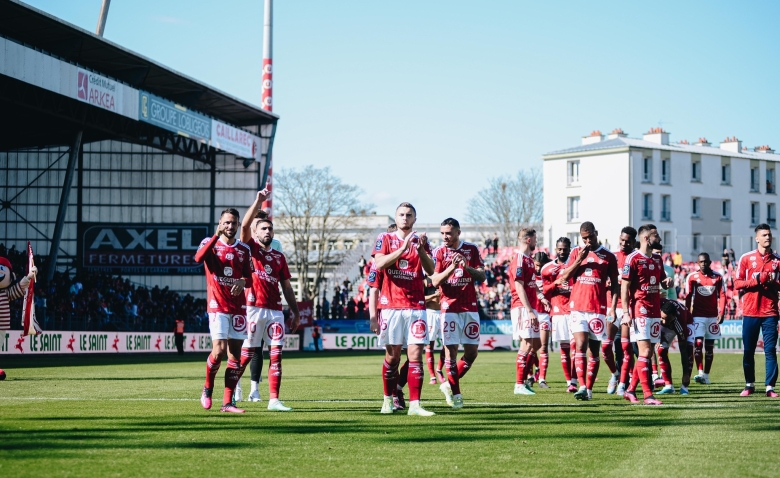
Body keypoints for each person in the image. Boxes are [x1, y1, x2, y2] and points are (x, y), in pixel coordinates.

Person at [370, 202, 436, 416]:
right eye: (401, 214)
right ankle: (387, 400)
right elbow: (379, 264)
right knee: (393, 357)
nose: (405, 218)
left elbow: (432, 271)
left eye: (409, 215)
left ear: (415, 219)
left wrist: (421, 250)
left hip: (416, 306)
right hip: (391, 306)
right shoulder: (385, 239)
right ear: (396, 218)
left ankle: (415, 405)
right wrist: (402, 249)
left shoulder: (422, 242)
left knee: (416, 354)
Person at [238, 190, 300, 410]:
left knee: (276, 354)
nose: (267, 230)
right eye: (263, 228)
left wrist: (295, 311)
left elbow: (287, 286)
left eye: (270, 228)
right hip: (253, 308)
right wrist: (258, 201)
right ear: (255, 232)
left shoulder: (279, 256)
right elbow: (244, 227)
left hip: (275, 310)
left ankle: (274, 400)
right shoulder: (250, 248)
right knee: (246, 355)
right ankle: (233, 390)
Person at [194, 208, 254, 413]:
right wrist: (215, 236)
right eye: (226, 222)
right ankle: (208, 387)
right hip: (217, 305)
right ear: (220, 223)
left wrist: (242, 280)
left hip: (238, 308)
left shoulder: (244, 250)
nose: (230, 226)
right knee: (218, 351)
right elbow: (198, 258)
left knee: (235, 356)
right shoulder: (209, 243)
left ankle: (227, 403)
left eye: (234, 223)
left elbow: (249, 279)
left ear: (238, 225)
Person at [556, 222, 618, 401]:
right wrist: (578, 260)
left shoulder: (608, 256)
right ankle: (582, 386)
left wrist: (613, 307)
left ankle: (589, 389)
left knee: (594, 350)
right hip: (577, 307)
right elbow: (564, 277)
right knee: (580, 345)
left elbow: (615, 285)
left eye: (590, 237)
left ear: (596, 234)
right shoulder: (576, 252)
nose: (588, 240)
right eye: (584, 238)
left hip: (597, 309)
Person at [430, 218, 486, 408]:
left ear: (458, 233)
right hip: (449, 308)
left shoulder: (471, 249)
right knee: (450, 353)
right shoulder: (439, 252)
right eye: (443, 233)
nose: (445, 237)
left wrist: (465, 267)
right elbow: (435, 281)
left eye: (449, 233)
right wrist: (452, 267)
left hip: (469, 307)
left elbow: (482, 275)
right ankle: (457, 395)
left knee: (471, 353)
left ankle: (446, 384)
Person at [620, 224, 671, 405]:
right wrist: (626, 312)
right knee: (646, 351)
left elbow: (662, 283)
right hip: (639, 310)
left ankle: (630, 390)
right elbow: (624, 286)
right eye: (656, 235)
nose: (660, 238)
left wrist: (667, 283)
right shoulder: (633, 258)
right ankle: (648, 395)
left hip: (654, 310)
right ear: (646, 238)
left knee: (647, 353)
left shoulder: (657, 259)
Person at [734, 224, 780, 398]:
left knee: (770, 350)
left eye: (769, 235)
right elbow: (737, 283)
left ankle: (770, 387)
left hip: (770, 312)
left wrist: (771, 283)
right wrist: (757, 280)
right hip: (750, 311)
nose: (767, 237)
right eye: (764, 235)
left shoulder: (777, 260)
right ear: (757, 238)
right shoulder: (746, 258)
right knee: (749, 351)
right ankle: (749, 384)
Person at [509, 228, 550, 396]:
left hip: (530, 306)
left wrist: (541, 297)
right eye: (535, 239)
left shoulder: (529, 260)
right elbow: (519, 286)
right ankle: (519, 384)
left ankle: (524, 381)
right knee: (526, 344)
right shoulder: (519, 259)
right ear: (528, 240)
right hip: (522, 307)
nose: (536, 242)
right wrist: (529, 310)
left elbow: (531, 285)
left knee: (534, 344)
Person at [685, 252, 727, 385]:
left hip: (712, 317)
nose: (703, 264)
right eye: (701, 262)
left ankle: (707, 376)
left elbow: (723, 295)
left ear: (710, 263)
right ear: (698, 263)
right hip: (698, 317)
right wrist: (687, 313)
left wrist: (722, 312)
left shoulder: (718, 277)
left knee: (709, 348)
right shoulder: (692, 277)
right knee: (697, 345)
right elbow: (688, 296)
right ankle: (700, 372)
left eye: (705, 262)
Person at [541, 237, 575, 391]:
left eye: (565, 249)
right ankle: (569, 382)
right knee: (564, 348)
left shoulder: (574, 265)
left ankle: (576, 380)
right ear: (556, 249)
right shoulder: (547, 268)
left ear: (569, 249)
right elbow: (544, 290)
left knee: (577, 347)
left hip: (575, 310)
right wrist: (556, 283)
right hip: (559, 311)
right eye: (559, 249)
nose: (562, 252)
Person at [614, 227, 638, 396]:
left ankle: (626, 382)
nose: (623, 243)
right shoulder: (613, 257)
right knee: (611, 347)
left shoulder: (636, 258)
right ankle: (616, 377)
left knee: (631, 349)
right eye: (622, 240)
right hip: (613, 308)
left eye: (627, 241)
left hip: (630, 309)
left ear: (634, 242)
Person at [657, 298, 693, 395]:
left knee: (688, 349)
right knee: (661, 350)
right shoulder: (657, 304)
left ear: (673, 316)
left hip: (687, 321)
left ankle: (685, 386)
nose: (664, 322)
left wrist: (685, 373)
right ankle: (669, 386)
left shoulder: (679, 322)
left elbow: (683, 350)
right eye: (662, 318)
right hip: (671, 320)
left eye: (667, 319)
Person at [533, 251, 552, 388]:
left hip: (545, 314)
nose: (538, 268)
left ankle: (542, 379)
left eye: (541, 265)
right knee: (530, 348)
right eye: (536, 265)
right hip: (532, 313)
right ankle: (533, 372)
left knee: (543, 346)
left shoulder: (550, 276)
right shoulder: (530, 275)